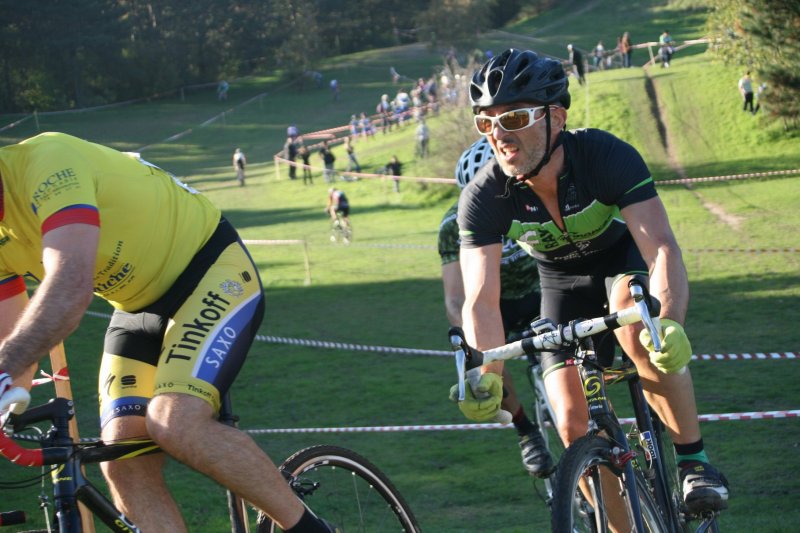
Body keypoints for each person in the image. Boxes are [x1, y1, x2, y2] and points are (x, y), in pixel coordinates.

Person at [0, 132, 338, 533]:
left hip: (208, 268)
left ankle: (310, 530)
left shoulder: (47, 163)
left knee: (175, 422)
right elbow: (14, 344)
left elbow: (70, 287)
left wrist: (4, 367)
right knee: (120, 456)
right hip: (134, 307)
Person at [454, 49, 729, 520]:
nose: (498, 133)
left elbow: (661, 247)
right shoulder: (484, 196)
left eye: (514, 117)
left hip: (620, 263)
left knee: (641, 334)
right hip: (560, 287)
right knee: (571, 424)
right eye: (486, 122)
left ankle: (693, 462)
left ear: (556, 118)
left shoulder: (604, 156)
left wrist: (669, 322)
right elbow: (480, 300)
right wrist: (488, 373)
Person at [441, 138, 553, 477]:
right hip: (498, 306)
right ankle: (525, 431)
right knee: (483, 358)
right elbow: (456, 299)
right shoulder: (452, 226)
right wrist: (472, 344)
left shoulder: (535, 199)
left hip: (542, 292)